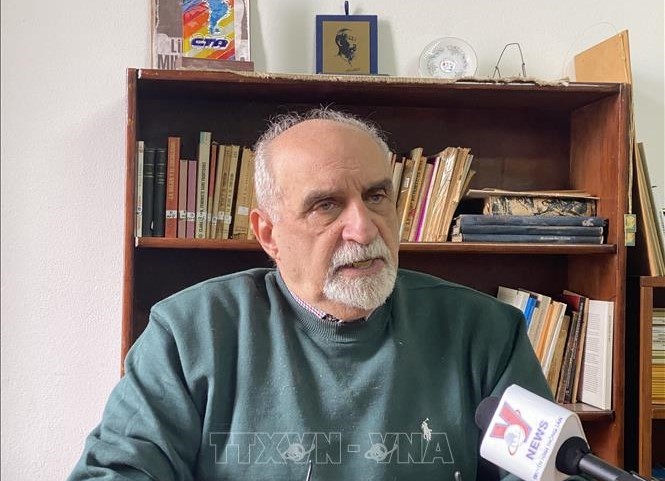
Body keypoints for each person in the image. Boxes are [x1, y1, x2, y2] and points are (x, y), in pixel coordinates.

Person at [68, 109, 552, 480]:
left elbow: (548, 474)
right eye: (326, 205)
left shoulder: (485, 333)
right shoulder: (188, 334)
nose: (364, 228)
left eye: (377, 196)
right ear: (269, 234)